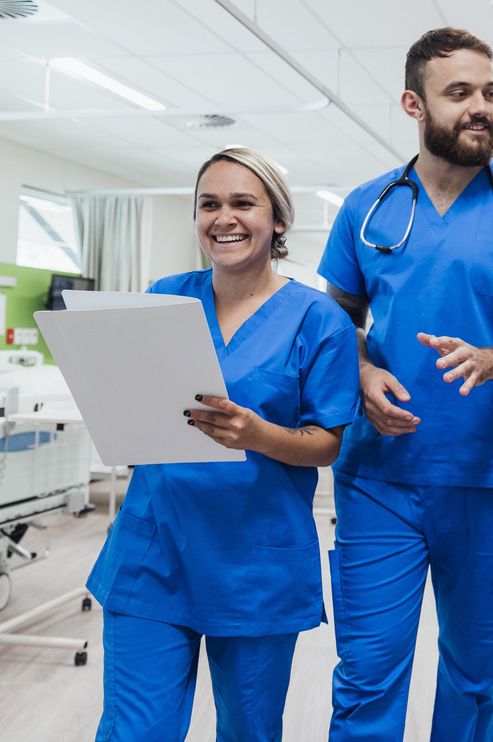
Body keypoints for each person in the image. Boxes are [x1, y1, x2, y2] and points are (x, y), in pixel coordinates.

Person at [320, 28, 493, 741]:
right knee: (367, 672)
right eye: (459, 92)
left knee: (472, 675)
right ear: (414, 103)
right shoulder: (367, 209)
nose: (481, 107)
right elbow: (334, 326)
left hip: (488, 473)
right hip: (378, 476)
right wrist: (365, 371)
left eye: (489, 93)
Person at [87, 147, 362, 742]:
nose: (224, 218)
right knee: (134, 731)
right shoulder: (165, 294)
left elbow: (326, 444)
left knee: (248, 731)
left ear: (278, 220)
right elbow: (139, 403)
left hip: (254, 564)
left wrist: (257, 434)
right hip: (154, 551)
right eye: (209, 204)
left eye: (243, 203)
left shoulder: (319, 320)